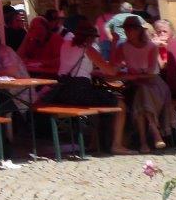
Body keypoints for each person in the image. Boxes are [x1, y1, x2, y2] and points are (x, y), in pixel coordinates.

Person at [39, 19, 128, 154]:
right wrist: (118, 58)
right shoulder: (88, 49)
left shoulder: (66, 45)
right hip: (80, 91)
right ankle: (116, 144)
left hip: (62, 92)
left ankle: (94, 142)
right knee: (120, 104)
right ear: (90, 38)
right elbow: (110, 71)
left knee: (96, 102)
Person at [115, 16, 175, 151]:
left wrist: (132, 75)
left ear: (138, 30)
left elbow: (151, 72)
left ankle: (144, 141)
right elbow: (115, 66)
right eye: (126, 29)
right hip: (136, 85)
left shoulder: (151, 47)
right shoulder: (123, 47)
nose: (127, 32)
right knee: (141, 93)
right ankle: (154, 133)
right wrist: (113, 43)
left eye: (131, 29)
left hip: (155, 85)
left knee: (141, 93)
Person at [154, 19, 176, 97]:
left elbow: (164, 66)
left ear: (171, 32)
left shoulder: (174, 43)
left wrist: (160, 48)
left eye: (165, 31)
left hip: (171, 78)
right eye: (159, 32)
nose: (162, 34)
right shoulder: (155, 45)